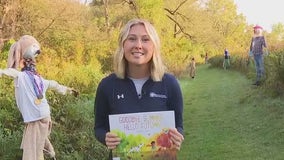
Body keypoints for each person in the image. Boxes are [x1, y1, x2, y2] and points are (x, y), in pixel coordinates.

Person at [94, 18, 184, 159]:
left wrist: (177, 137)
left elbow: (179, 126)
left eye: (145, 39)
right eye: (132, 39)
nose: (138, 45)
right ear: (122, 45)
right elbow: (99, 128)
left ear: (154, 46)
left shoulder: (170, 83)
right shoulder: (107, 86)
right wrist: (106, 137)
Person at [0, 39, 78, 160]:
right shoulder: (39, 79)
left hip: (35, 118)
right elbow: (55, 85)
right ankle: (51, 152)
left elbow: (9, 72)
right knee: (39, 142)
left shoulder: (22, 76)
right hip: (44, 116)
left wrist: (68, 90)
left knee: (31, 153)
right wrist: (69, 90)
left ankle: (50, 152)